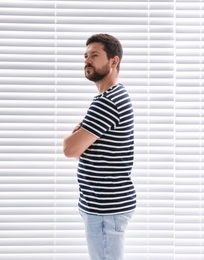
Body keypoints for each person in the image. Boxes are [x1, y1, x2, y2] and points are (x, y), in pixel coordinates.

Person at [63, 33, 136, 260]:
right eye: (85, 56)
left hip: (106, 208)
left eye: (95, 55)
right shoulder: (110, 97)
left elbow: (70, 149)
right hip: (102, 205)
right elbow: (81, 147)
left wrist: (73, 138)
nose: (87, 60)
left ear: (113, 61)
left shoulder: (108, 102)